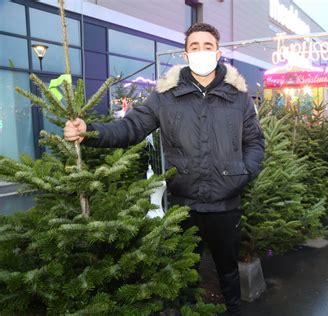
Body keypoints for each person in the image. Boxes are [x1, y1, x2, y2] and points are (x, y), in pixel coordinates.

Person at [64, 22, 265, 315]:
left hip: (226, 204)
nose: (201, 52)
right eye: (194, 47)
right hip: (184, 204)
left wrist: (243, 173)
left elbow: (255, 142)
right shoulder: (165, 97)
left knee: (228, 272)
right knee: (183, 275)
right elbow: (131, 128)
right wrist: (90, 132)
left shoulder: (239, 98)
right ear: (185, 55)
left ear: (218, 53)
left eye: (207, 46)